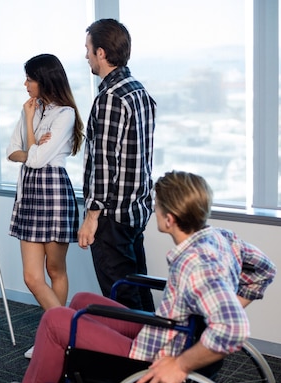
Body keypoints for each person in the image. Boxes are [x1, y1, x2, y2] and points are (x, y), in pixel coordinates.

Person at [0, 170, 276, 383]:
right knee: (80, 302)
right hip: (168, 331)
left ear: (169, 219)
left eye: (156, 205)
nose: (153, 209)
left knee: (55, 321)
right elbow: (264, 270)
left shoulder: (194, 265)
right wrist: (215, 314)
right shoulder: (221, 238)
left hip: (153, 355)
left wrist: (180, 364)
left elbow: (232, 328)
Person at [7, 53, 84, 359]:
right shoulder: (30, 109)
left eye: (30, 78)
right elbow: (13, 151)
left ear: (45, 79)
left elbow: (36, 159)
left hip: (53, 191)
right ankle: (68, 333)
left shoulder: (64, 114)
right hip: (28, 190)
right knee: (31, 277)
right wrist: (30, 131)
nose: (25, 84)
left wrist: (30, 148)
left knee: (55, 269)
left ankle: (51, 337)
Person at [77, 18, 157, 312]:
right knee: (137, 288)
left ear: (101, 52)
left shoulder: (110, 97)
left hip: (113, 217)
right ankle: (152, 353)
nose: (85, 55)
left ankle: (131, 357)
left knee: (120, 299)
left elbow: (104, 163)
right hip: (136, 210)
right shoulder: (139, 91)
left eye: (87, 48)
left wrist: (91, 217)